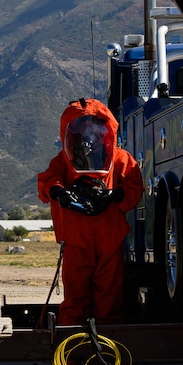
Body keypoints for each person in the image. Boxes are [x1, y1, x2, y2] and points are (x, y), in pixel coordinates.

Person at [35, 97, 143, 325]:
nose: (88, 135)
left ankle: (109, 354)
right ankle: (72, 355)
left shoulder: (120, 159)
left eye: (94, 127)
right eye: (83, 128)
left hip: (108, 238)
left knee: (110, 300)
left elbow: (135, 186)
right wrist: (59, 193)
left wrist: (115, 195)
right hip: (77, 239)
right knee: (75, 299)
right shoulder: (64, 160)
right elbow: (47, 181)